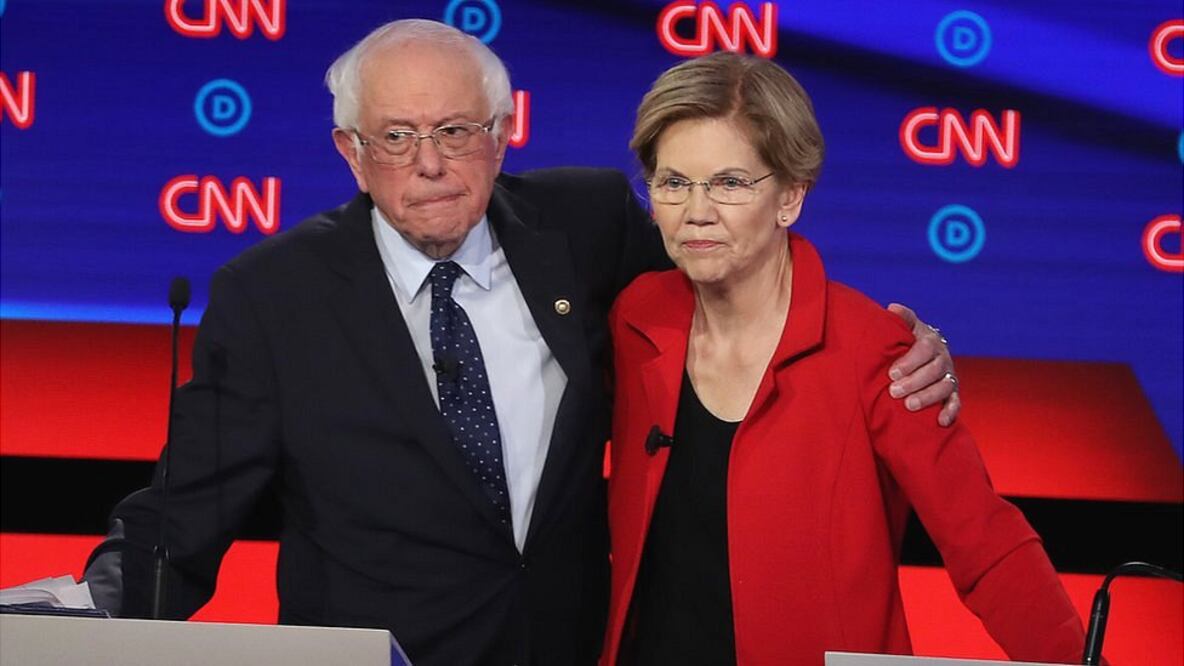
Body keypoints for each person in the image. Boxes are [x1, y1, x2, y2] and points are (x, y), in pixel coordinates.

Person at [83, 20, 959, 666]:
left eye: (457, 131)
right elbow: (185, 514)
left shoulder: (587, 225)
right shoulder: (273, 296)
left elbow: (737, 268)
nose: (430, 163)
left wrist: (888, 337)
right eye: (396, 137)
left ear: (502, 136)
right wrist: (84, 616)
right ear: (351, 153)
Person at [601, 52, 1087, 665]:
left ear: (791, 196)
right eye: (673, 182)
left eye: (729, 183)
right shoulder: (634, 318)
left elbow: (985, 544)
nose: (697, 211)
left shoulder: (872, 350)